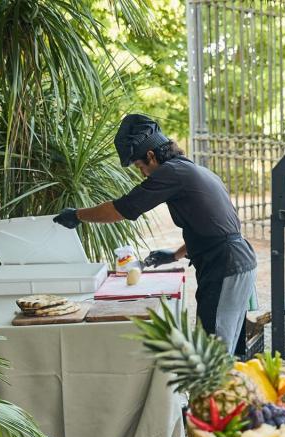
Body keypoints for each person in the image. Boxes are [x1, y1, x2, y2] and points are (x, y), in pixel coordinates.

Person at [53, 114, 257, 356]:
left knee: (212, 353)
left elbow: (123, 208)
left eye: (141, 167)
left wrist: (78, 215)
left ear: (151, 155)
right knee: (221, 347)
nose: (143, 174)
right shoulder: (191, 170)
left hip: (225, 266)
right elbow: (212, 229)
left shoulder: (172, 172)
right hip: (234, 262)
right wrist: (174, 255)